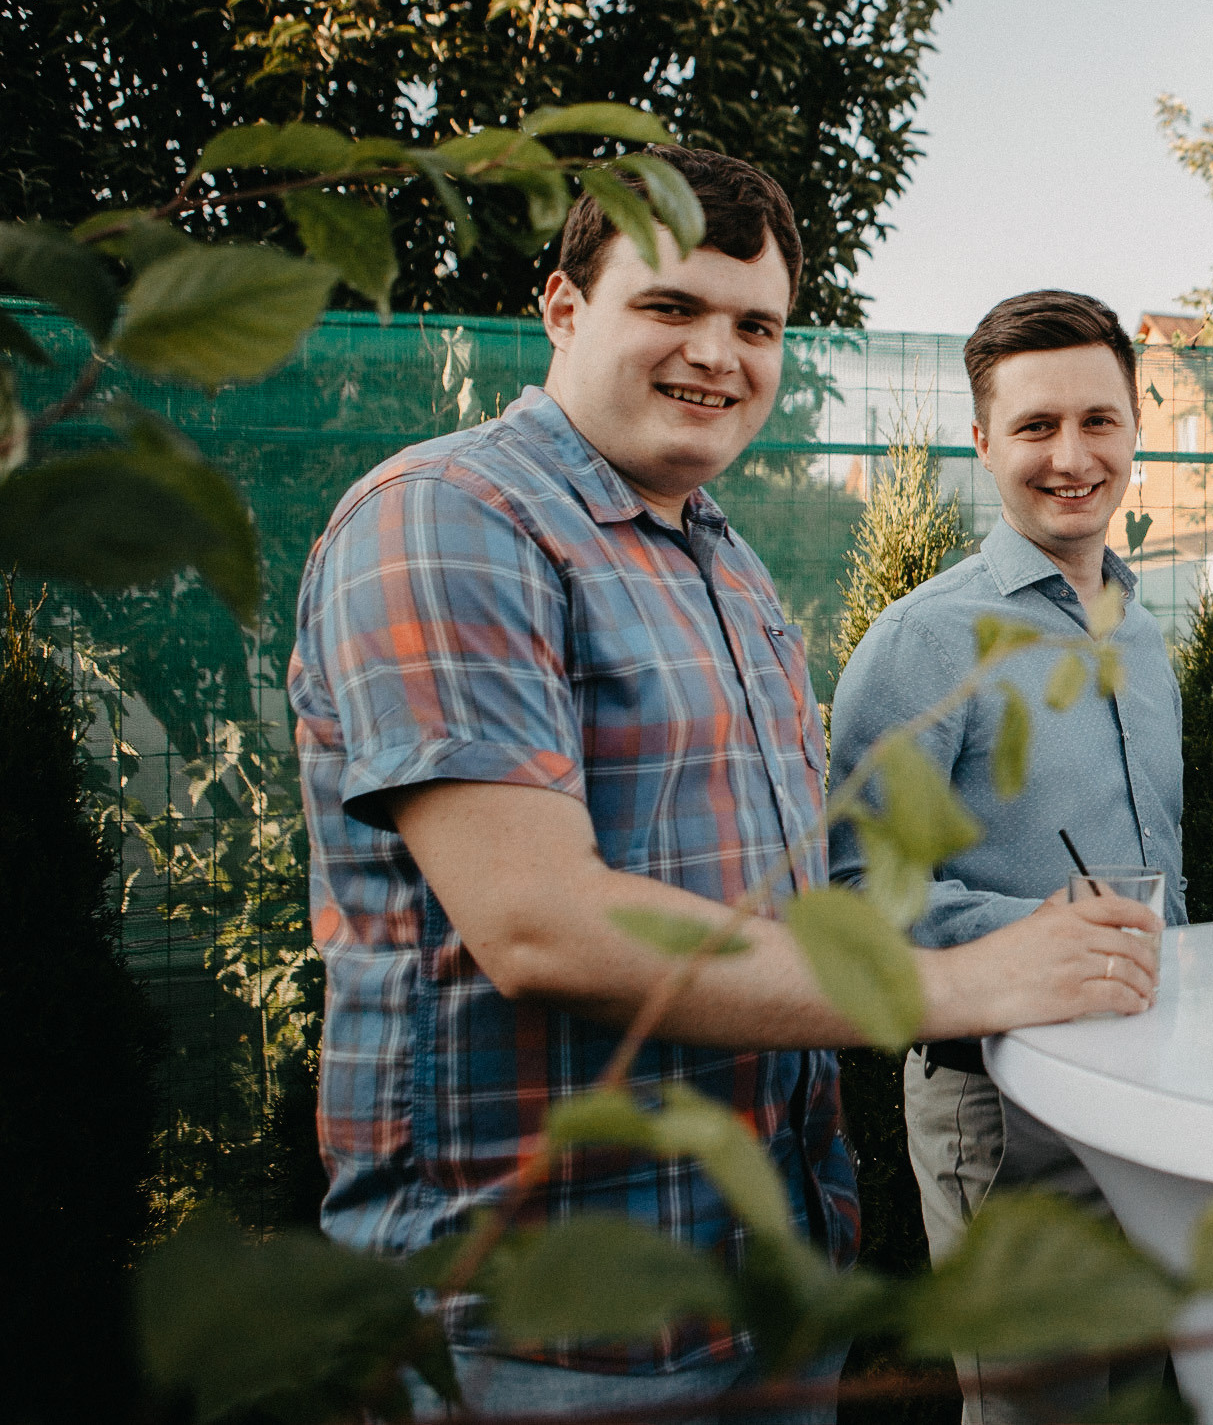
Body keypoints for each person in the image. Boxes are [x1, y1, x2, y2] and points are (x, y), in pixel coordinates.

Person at [290, 150, 1159, 1423]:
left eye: (755, 324)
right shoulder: (450, 519)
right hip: (542, 1315)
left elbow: (781, 897)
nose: (719, 352)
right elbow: (539, 926)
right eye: (671, 308)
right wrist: (963, 979)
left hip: (760, 1281)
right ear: (564, 309)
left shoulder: (724, 561)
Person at [828, 289, 1183, 1424]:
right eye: (1034, 428)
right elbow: (858, 893)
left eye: (1098, 422)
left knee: (1139, 1391)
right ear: (981, 443)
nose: (1071, 457)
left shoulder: (1144, 630)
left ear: (1135, 429)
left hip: (1147, 1084)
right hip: (999, 1102)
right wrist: (1043, 946)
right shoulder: (925, 639)